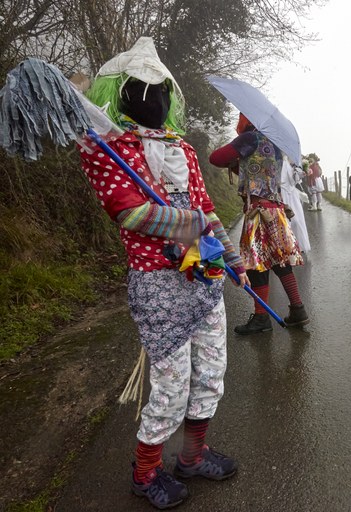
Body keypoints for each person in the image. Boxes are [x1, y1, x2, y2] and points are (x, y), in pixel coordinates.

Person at [79, 37, 245, 509]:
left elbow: (207, 210)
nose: (154, 101)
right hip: (157, 285)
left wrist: (232, 259)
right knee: (171, 387)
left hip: (202, 276)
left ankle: (192, 457)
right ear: (125, 93)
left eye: (161, 92)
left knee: (211, 373)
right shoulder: (110, 148)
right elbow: (128, 213)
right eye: (142, 91)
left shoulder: (183, 152)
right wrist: (186, 221)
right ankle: (145, 471)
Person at [210, 113, 309, 334]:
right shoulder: (274, 143)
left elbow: (215, 158)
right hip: (276, 209)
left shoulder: (249, 139)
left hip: (258, 211)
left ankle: (262, 318)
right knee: (280, 261)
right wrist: (240, 163)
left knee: (256, 264)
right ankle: (298, 310)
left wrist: (236, 157)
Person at [281, 156, 311, 253]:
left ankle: (299, 245)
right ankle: (287, 247)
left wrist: (301, 172)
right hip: (282, 192)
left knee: (297, 220)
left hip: (292, 193)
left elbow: (296, 180)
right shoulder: (278, 162)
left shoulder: (293, 163)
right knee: (284, 221)